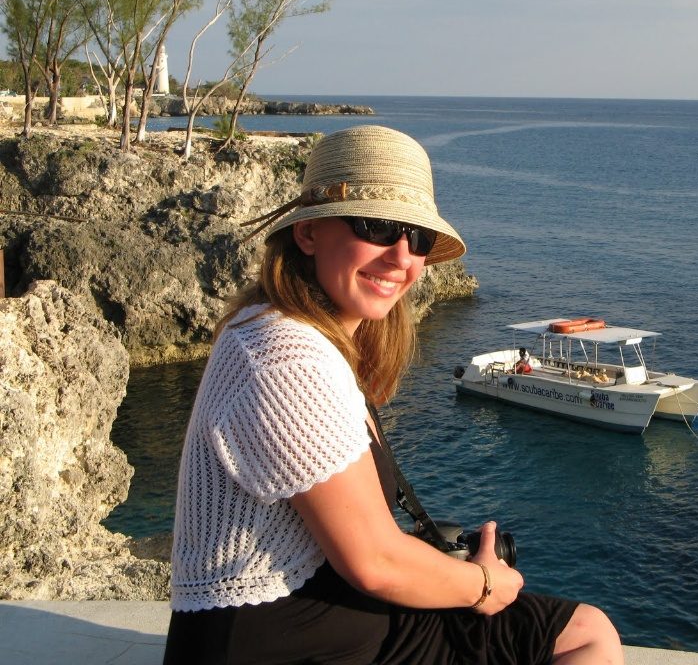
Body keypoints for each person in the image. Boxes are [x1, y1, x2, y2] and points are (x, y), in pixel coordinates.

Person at [163, 126, 623, 665]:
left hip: (295, 618)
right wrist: (482, 584)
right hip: (282, 637)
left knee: (583, 629)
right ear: (308, 233)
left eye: (418, 238)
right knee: (587, 636)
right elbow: (374, 562)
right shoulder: (285, 356)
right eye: (377, 227)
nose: (402, 257)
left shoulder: (276, 327)